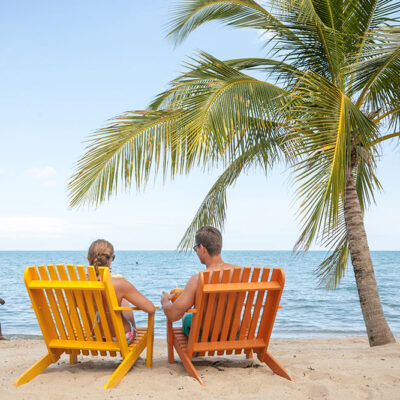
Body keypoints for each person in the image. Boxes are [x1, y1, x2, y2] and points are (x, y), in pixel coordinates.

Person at [160, 226, 237, 336]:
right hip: (234, 333)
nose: (196, 252)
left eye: (196, 247)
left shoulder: (198, 280)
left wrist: (165, 301)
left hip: (207, 336)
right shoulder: (239, 273)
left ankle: (193, 353)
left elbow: (173, 315)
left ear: (202, 248)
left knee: (187, 317)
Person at [87, 239, 156, 343]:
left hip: (95, 336)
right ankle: (132, 356)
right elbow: (150, 309)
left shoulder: (77, 284)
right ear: (109, 259)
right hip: (121, 337)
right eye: (112, 257)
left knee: (117, 301)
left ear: (89, 258)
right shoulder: (120, 284)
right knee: (123, 301)